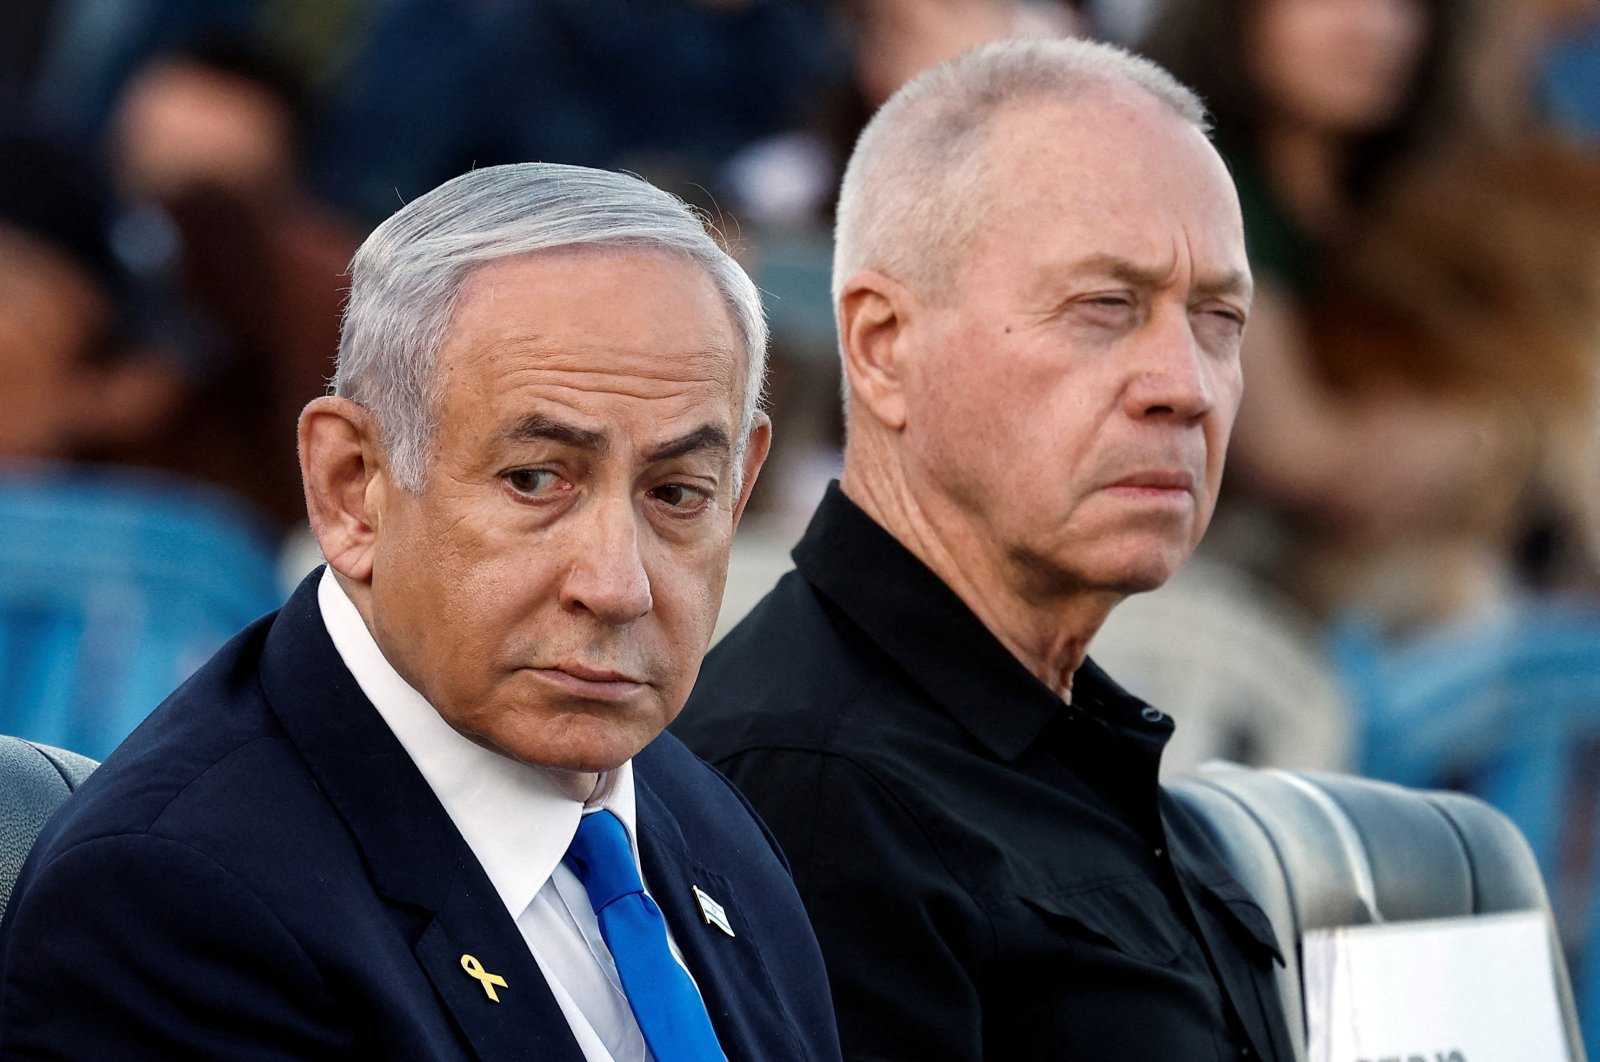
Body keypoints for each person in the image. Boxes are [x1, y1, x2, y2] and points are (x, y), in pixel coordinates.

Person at [0, 162, 841, 1062]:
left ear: (743, 483)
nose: (618, 582)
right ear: (351, 486)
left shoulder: (702, 817)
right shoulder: (173, 903)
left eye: (678, 492)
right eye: (535, 480)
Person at [674, 38, 1292, 1060]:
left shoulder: (1063, 745)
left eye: (1219, 318)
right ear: (881, 346)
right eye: (1106, 306)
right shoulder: (817, 799)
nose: (1183, 385)